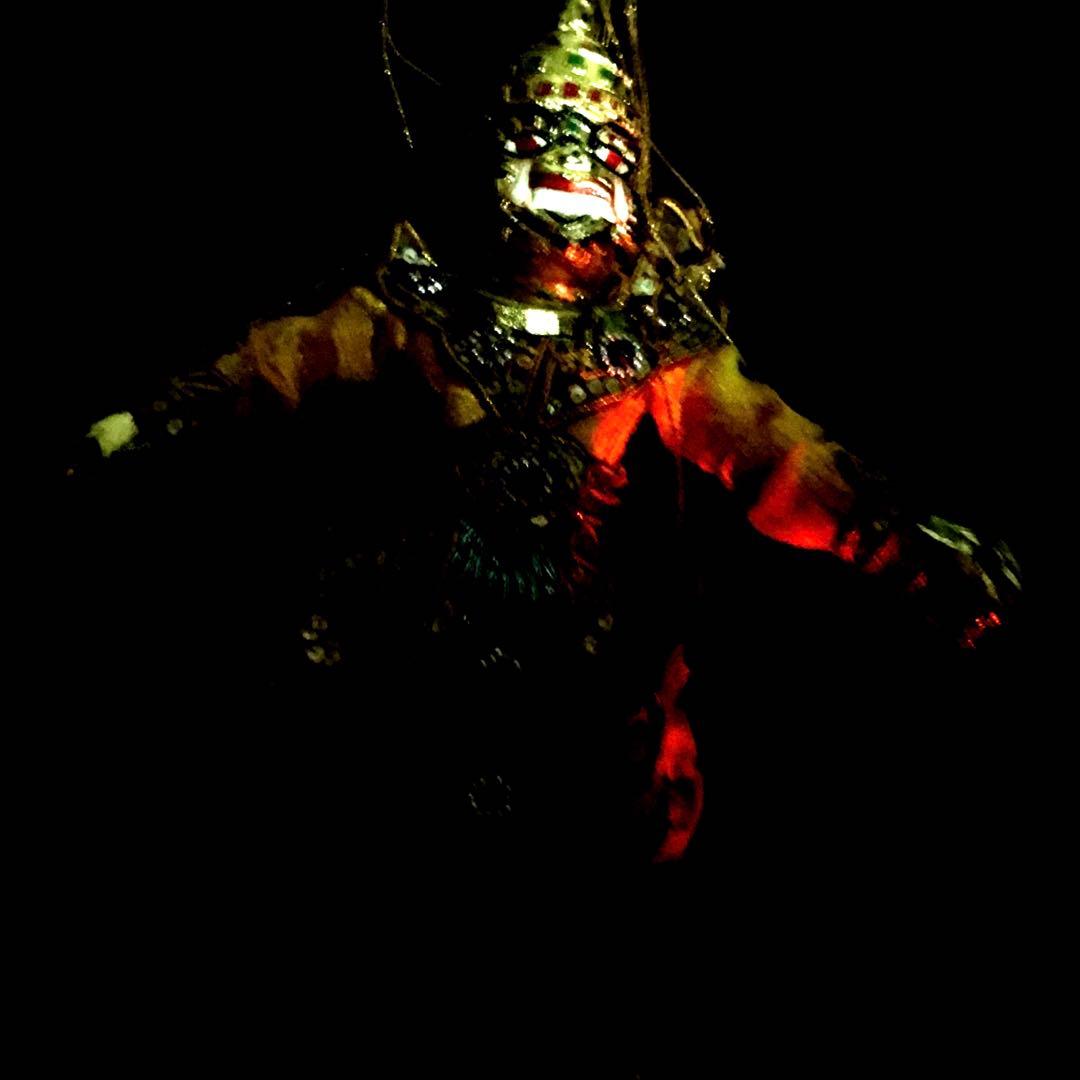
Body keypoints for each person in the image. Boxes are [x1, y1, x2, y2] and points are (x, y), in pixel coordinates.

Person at [63, 0, 1020, 870]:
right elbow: (284, 360)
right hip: (401, 673)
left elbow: (772, 449)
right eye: (546, 131)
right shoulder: (420, 308)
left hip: (583, 702)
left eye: (601, 140)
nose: (573, 157)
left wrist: (895, 538)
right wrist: (150, 421)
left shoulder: (655, 348)